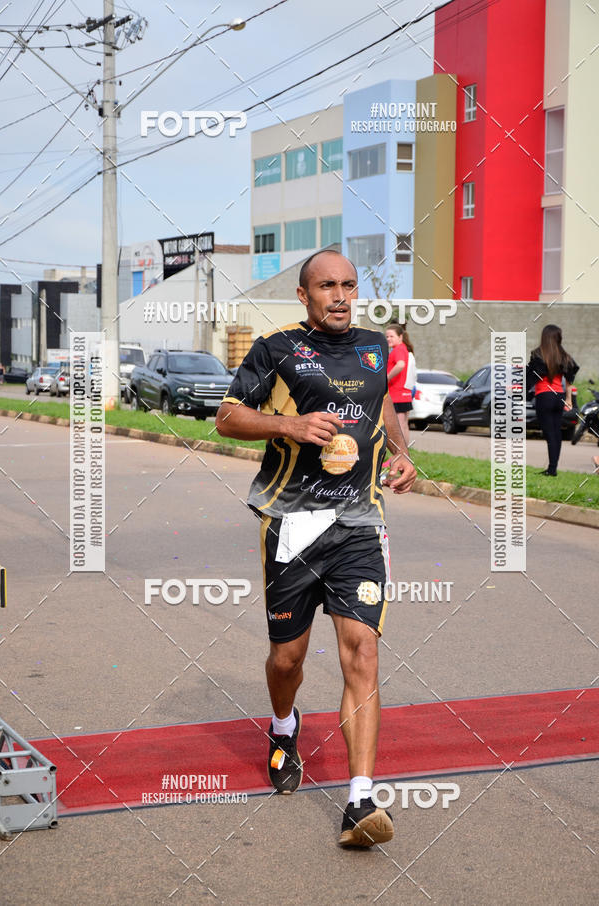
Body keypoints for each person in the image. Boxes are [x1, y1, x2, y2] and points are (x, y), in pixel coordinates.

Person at [216, 249, 417, 847]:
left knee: (363, 652)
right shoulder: (275, 349)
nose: (339, 295)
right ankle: (283, 726)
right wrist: (290, 425)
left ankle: (360, 801)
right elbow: (227, 416)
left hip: (359, 523)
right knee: (288, 660)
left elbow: (383, 406)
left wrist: (404, 455)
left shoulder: (377, 346)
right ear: (303, 295)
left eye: (348, 285)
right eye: (326, 286)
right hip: (292, 524)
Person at [526, 324, 578, 476]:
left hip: (545, 396)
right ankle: (553, 468)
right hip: (559, 397)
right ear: (558, 337)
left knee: (549, 434)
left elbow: (531, 377)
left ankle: (552, 469)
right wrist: (569, 399)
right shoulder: (564, 356)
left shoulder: (538, 354)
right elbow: (569, 381)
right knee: (556, 433)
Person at [385, 323, 415, 445]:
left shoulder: (398, 349)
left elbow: (400, 365)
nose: (388, 339)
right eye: (387, 337)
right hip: (403, 393)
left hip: (397, 393)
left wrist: (387, 378)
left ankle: (400, 455)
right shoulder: (402, 349)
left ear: (400, 337)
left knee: (398, 426)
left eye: (391, 336)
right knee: (403, 425)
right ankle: (404, 454)